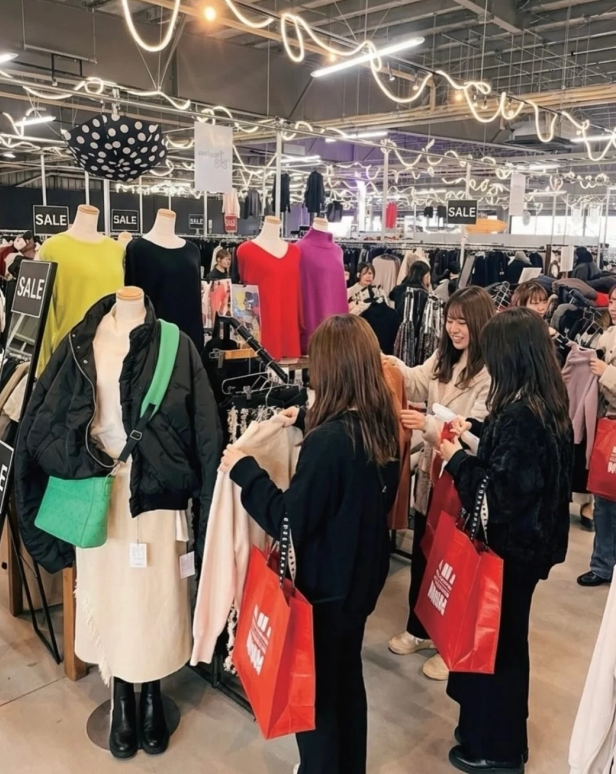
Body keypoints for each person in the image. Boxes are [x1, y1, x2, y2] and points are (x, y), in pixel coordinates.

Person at [220, 314, 400, 774]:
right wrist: (304, 417)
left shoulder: (329, 443)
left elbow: (288, 520)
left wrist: (245, 471)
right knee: (346, 680)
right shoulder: (380, 424)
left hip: (325, 591)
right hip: (361, 581)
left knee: (315, 697)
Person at [440, 307, 572, 774]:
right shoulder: (543, 403)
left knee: (497, 648)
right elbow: (521, 471)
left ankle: (498, 748)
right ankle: (497, 736)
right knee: (507, 642)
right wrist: (476, 435)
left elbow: (497, 496)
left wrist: (456, 459)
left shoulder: (521, 414)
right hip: (530, 548)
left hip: (511, 550)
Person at [388, 286, 495, 681]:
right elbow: (416, 380)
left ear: (479, 324)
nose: (454, 329)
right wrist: (388, 362)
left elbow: (477, 433)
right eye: (450, 320)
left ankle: (449, 642)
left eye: (462, 322)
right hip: (430, 476)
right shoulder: (443, 358)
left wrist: (430, 426)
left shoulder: (489, 372)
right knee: (424, 551)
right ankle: (420, 628)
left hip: (460, 477)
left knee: (455, 560)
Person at [577, 284, 616, 587]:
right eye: (613, 301)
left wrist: (606, 372)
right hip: (607, 426)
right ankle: (602, 565)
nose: (614, 307)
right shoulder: (606, 335)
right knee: (604, 500)